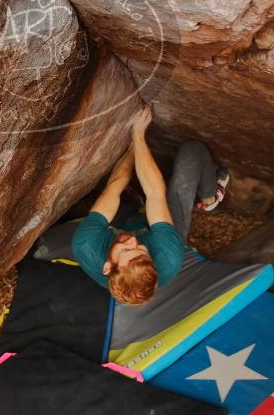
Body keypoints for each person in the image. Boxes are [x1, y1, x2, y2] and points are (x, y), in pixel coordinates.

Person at [71, 106, 229, 305]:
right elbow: (155, 195)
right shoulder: (167, 255)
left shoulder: (86, 244)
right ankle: (209, 198)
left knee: (120, 201)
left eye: (126, 250)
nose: (133, 242)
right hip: (160, 232)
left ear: (107, 267)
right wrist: (138, 136)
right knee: (192, 151)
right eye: (141, 249)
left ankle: (134, 203)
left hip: (126, 221)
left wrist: (134, 144)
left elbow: (114, 186)